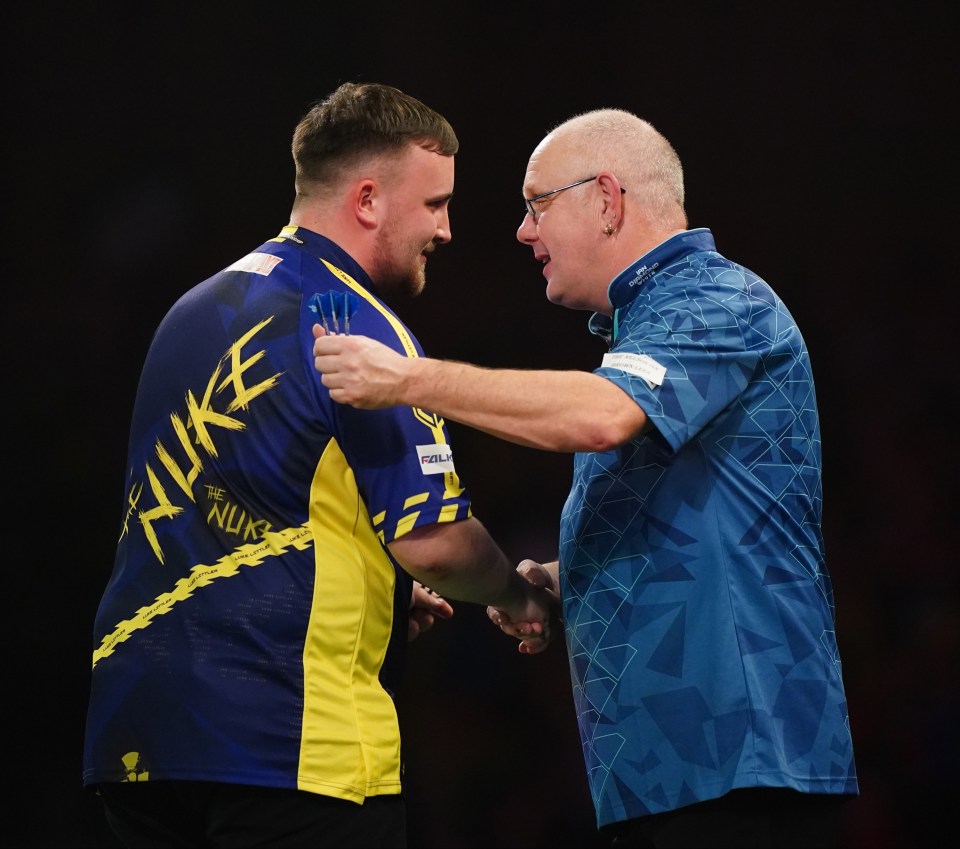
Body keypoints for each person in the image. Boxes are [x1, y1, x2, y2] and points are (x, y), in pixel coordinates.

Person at [312, 107, 860, 848]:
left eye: (536, 205)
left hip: (740, 762)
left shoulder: (713, 298)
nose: (521, 231)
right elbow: (702, 522)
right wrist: (571, 578)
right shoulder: (650, 326)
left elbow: (601, 416)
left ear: (607, 198)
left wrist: (408, 378)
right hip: (672, 771)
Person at [82, 81, 553, 849]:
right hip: (289, 750)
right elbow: (432, 542)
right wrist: (512, 591)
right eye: (434, 203)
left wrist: (372, 587)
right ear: (368, 199)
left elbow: (226, 507)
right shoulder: (357, 326)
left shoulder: (190, 312)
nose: (448, 229)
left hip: (139, 751)